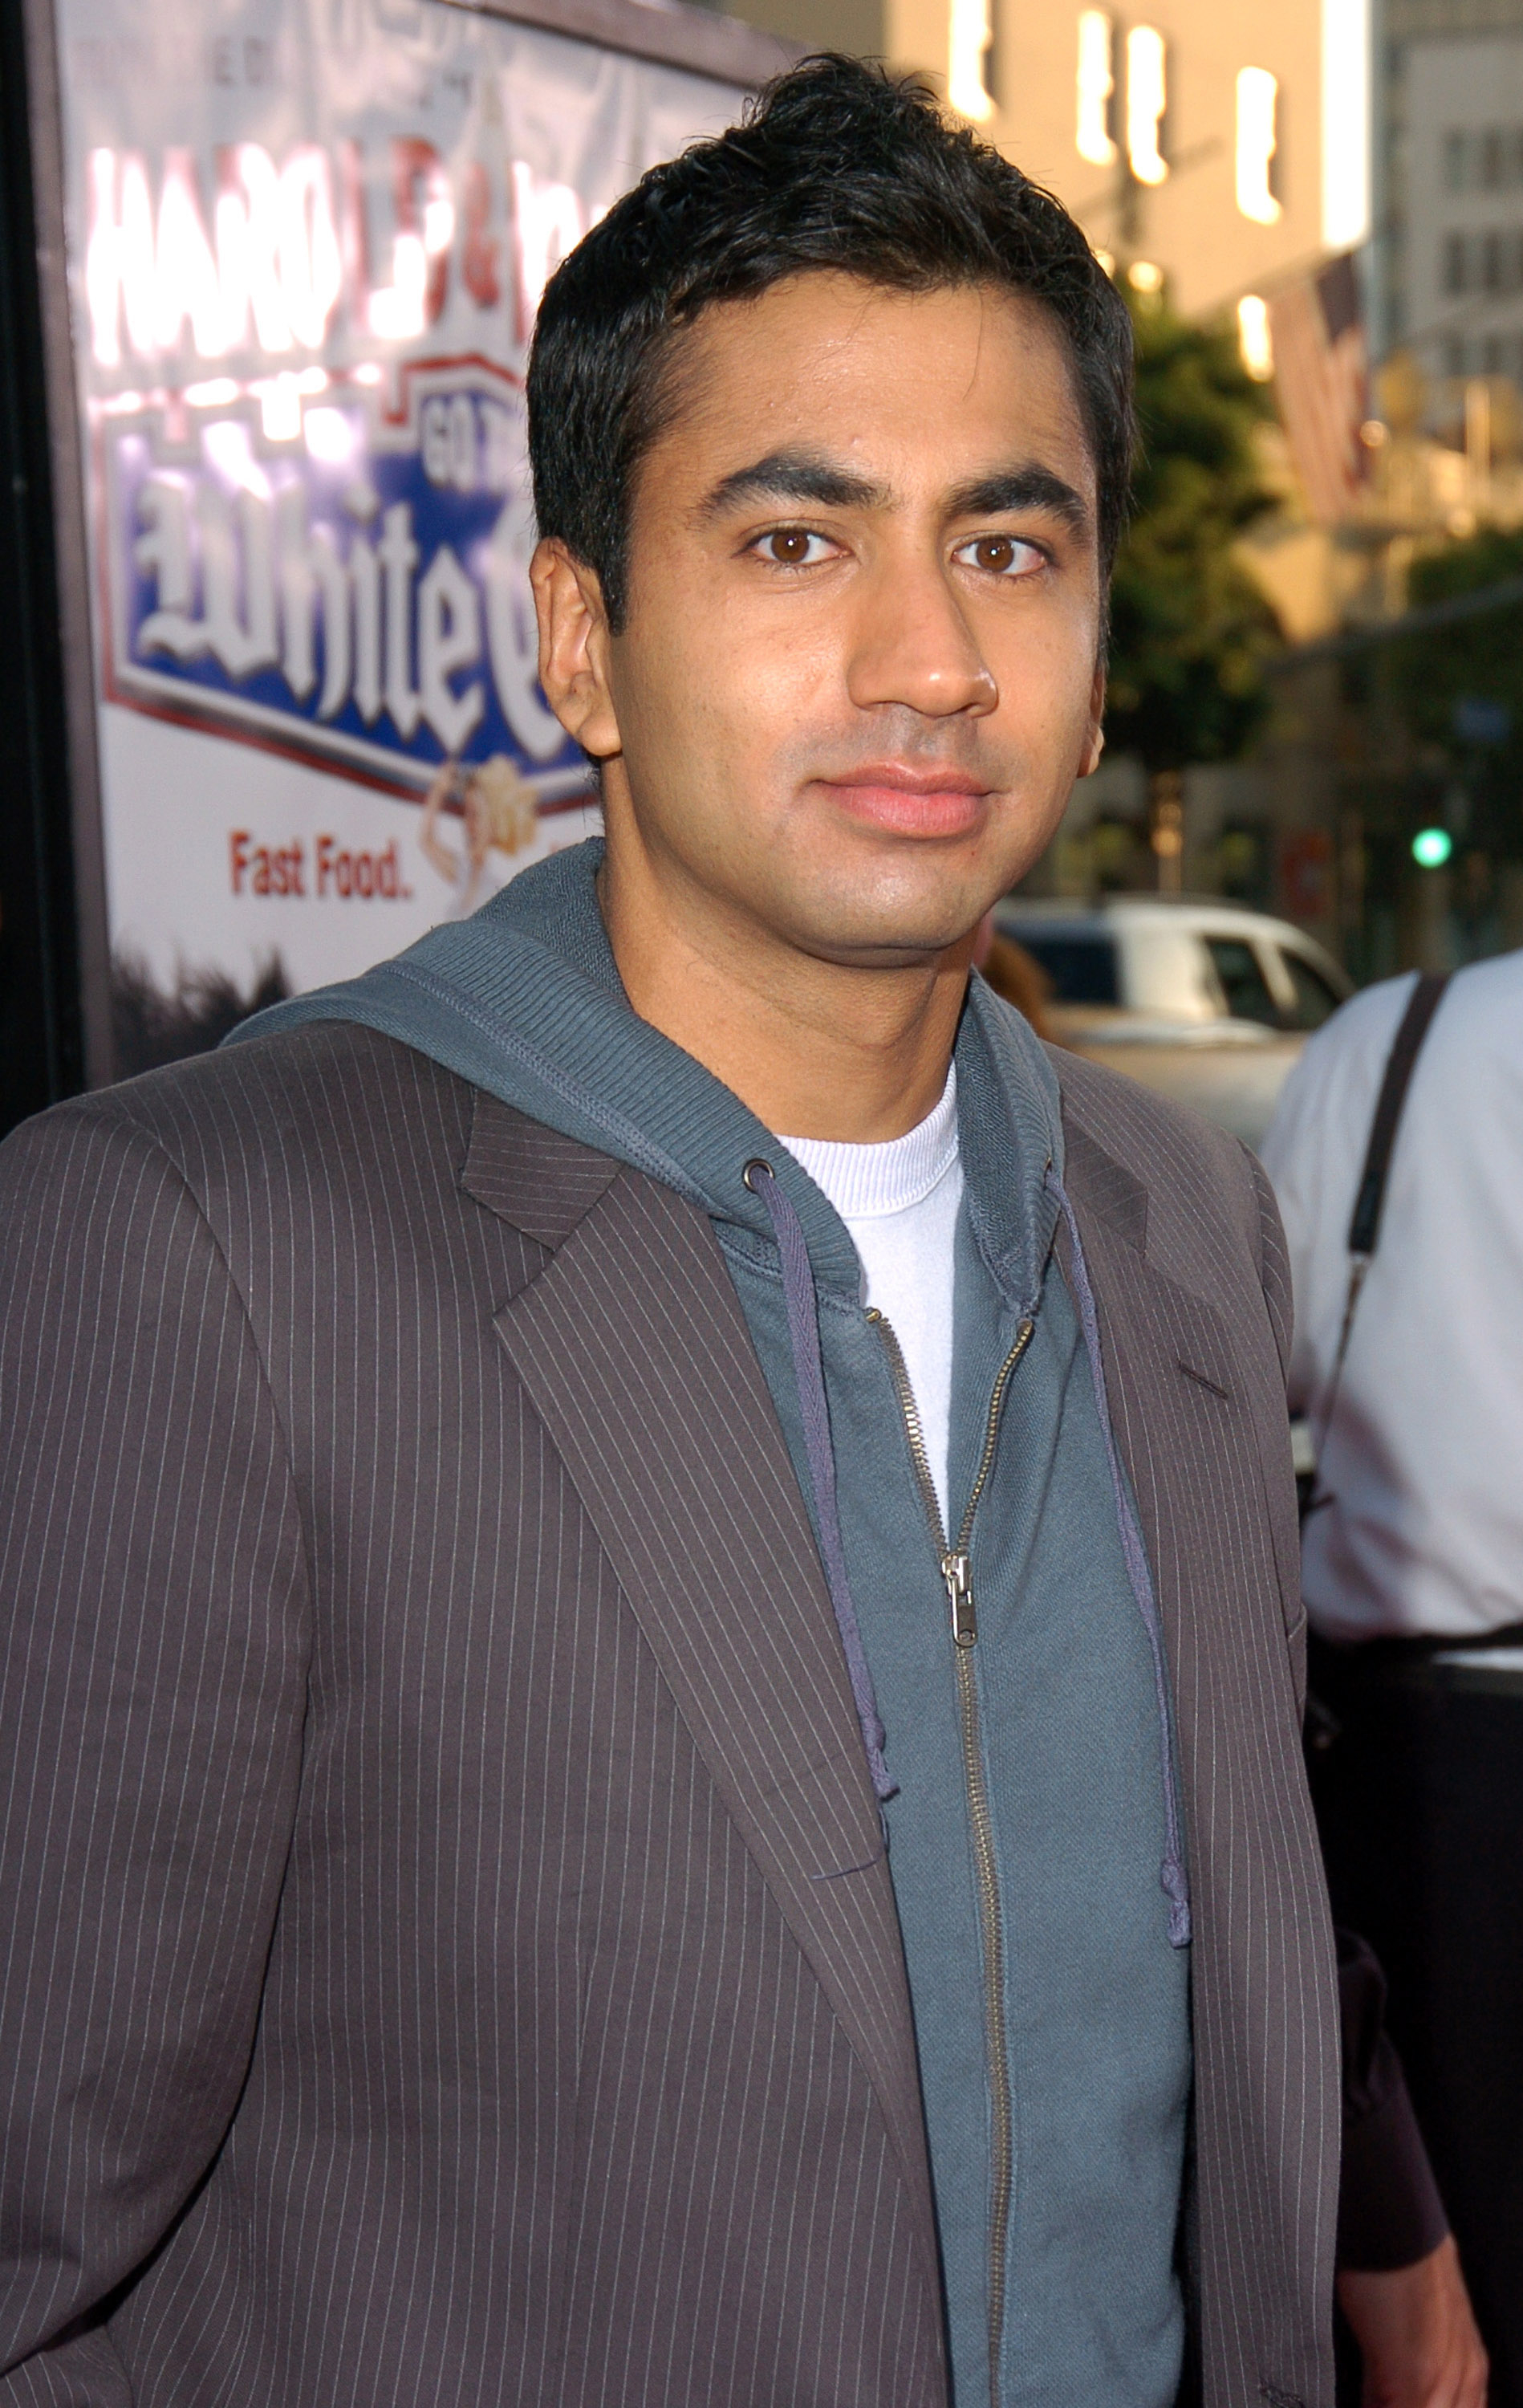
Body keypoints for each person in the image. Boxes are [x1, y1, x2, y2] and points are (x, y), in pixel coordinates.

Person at [0, 59, 1460, 2408]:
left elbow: (1239, 1899)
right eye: (794, 542)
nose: (923, 661)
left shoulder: (1175, 1223)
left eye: (1004, 545)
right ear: (574, 639)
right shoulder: (194, 1262)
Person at [1264, 950, 1523, 2406]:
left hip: (1418, 1763)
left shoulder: (1395, 1034)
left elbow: (1264, 1351)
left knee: (1430, 2255)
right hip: (1415, 1739)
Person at [418, 750, 541, 914]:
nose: (467, 824)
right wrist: (439, 790)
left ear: (496, 822)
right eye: (465, 813)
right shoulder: (467, 873)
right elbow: (427, 840)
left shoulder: (502, 885)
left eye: (474, 814)